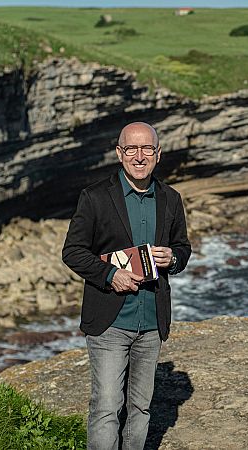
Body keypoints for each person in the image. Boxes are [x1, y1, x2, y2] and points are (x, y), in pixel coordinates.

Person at [62, 122, 191, 449]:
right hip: (109, 322)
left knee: (140, 407)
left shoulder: (171, 199)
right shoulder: (94, 198)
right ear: (119, 154)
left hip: (151, 323)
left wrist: (172, 259)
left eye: (146, 148)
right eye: (131, 149)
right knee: (106, 407)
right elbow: (73, 252)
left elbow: (183, 248)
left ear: (157, 155)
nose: (139, 156)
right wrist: (109, 274)